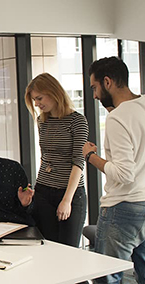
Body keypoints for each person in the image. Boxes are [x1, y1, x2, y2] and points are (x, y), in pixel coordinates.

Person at [83, 57, 145, 284]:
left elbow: (124, 174)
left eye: (95, 87)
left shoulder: (117, 118)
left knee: (107, 277)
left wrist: (91, 157)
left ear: (107, 82)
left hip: (125, 208)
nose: (94, 95)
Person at [24, 73, 89, 247]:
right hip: (44, 190)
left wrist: (67, 200)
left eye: (39, 98)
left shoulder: (77, 121)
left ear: (53, 92)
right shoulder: (42, 121)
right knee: (49, 249)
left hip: (70, 192)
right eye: (34, 100)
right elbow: (46, 156)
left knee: (69, 251)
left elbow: (78, 162)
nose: (37, 104)